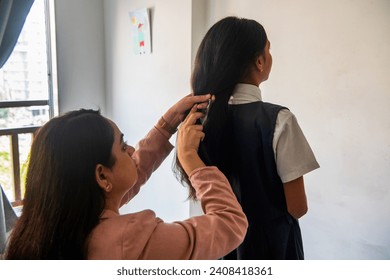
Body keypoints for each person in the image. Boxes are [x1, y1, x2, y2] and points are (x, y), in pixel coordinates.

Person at [4, 94, 248, 260]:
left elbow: (119, 183)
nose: (131, 151)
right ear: (101, 175)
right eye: (123, 146)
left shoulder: (34, 231)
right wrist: (190, 159)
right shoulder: (128, 241)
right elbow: (229, 224)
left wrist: (165, 127)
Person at [173, 16, 320, 260]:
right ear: (260, 62)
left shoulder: (196, 121)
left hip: (222, 247)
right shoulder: (280, 120)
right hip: (274, 249)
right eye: (268, 49)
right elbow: (298, 208)